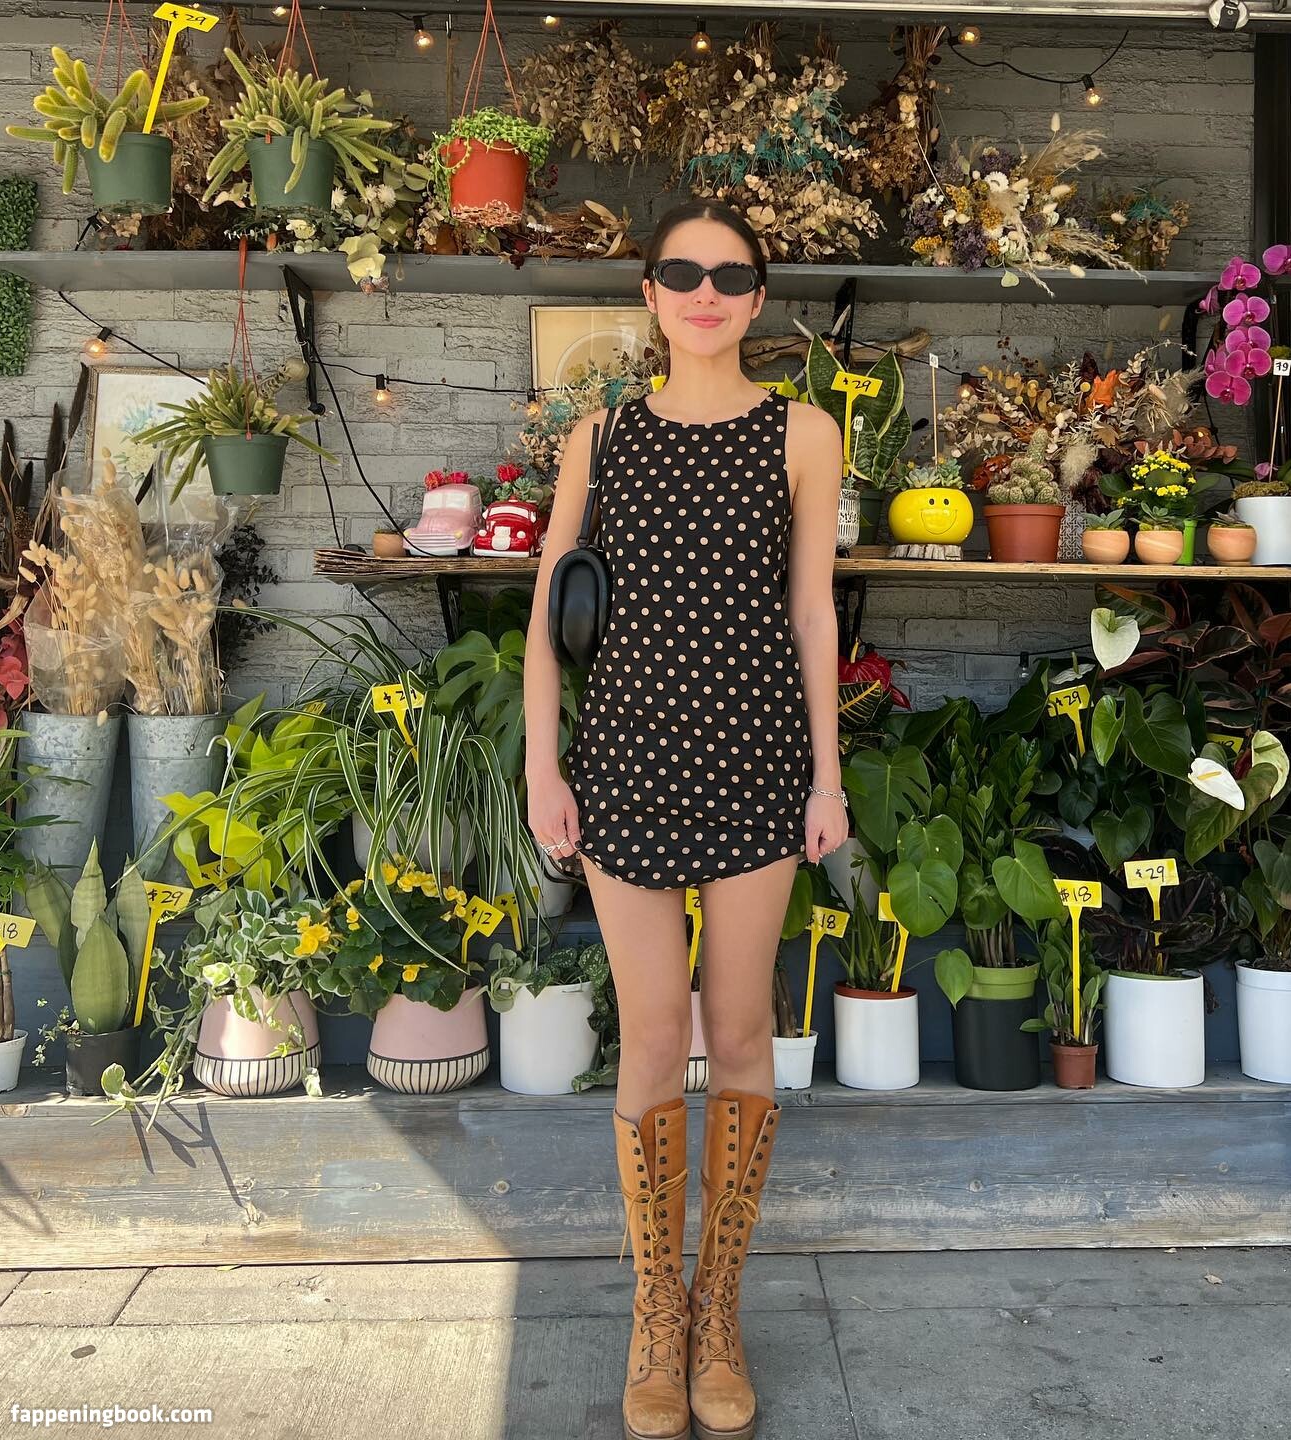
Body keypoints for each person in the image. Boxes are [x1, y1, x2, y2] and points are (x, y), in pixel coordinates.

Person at [524, 197, 845, 1440]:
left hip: (758, 765)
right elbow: (550, 613)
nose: (705, 291)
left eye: (731, 274)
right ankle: (658, 1311)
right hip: (626, 765)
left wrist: (827, 777)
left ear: (758, 299)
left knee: (742, 1027)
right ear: (649, 293)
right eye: (681, 271)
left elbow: (812, 611)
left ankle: (722, 1315)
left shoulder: (804, 433)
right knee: (654, 1037)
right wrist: (545, 769)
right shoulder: (600, 437)